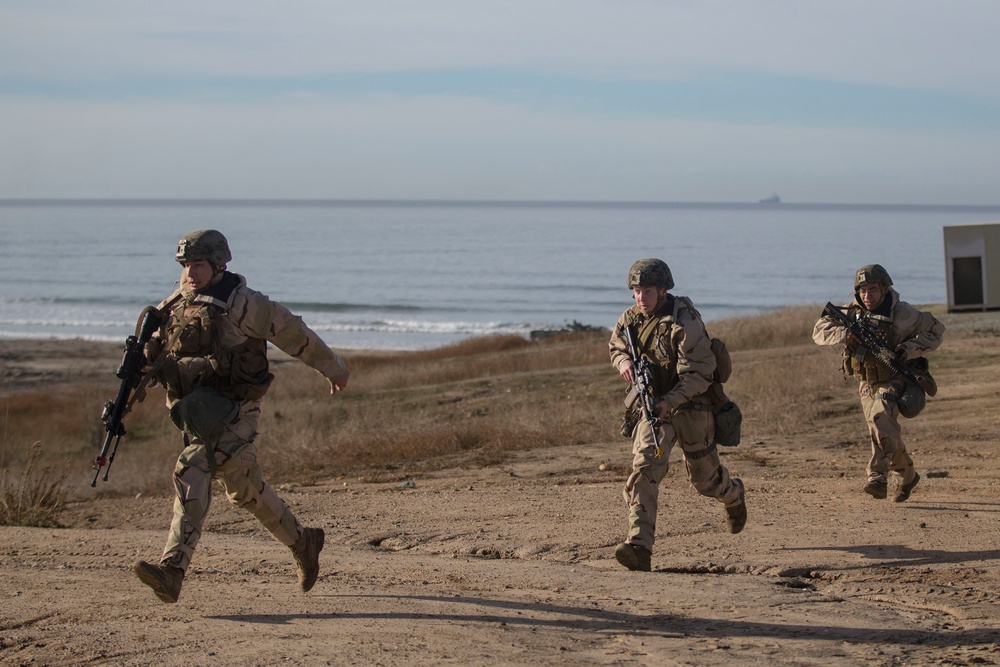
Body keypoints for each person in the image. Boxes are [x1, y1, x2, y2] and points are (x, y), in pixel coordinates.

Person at [132, 229, 350, 603]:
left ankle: (173, 570)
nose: (190, 273)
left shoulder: (244, 305)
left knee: (193, 466)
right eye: (185, 265)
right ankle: (303, 541)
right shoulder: (176, 303)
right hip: (197, 412)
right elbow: (157, 349)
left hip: (237, 409)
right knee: (245, 489)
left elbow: (294, 332)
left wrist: (332, 368)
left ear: (219, 265)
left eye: (197, 265)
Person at [608, 258, 747, 572]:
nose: (641, 297)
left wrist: (670, 401)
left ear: (662, 290)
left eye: (647, 291)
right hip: (653, 408)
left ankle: (733, 495)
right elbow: (616, 346)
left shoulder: (684, 320)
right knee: (644, 468)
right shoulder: (629, 320)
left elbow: (701, 373)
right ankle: (639, 547)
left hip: (691, 407)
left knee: (705, 481)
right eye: (636, 291)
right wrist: (623, 364)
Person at [813, 264, 944, 502]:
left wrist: (909, 349)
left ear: (884, 288)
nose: (867, 296)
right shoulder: (851, 312)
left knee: (880, 419)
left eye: (872, 289)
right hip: (865, 381)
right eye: (862, 290)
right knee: (880, 430)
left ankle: (877, 477)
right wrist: (844, 335)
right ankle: (907, 475)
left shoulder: (903, 314)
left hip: (894, 378)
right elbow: (819, 330)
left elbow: (936, 331)